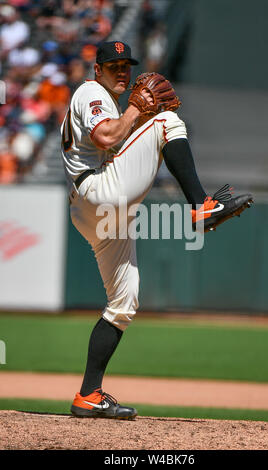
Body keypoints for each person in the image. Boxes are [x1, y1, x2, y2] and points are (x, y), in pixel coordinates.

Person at [60, 40, 253, 420]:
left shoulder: (109, 102)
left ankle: (88, 394)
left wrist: (133, 112)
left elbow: (111, 142)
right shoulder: (90, 91)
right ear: (97, 69)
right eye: (113, 65)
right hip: (98, 191)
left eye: (125, 65)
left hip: (96, 210)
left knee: (124, 302)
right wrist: (138, 109)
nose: (121, 71)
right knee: (167, 121)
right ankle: (200, 206)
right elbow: (106, 137)